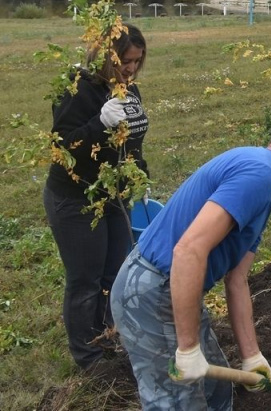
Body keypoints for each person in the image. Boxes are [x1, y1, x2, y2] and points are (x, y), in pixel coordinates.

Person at [111, 109, 271, 409]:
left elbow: (237, 279)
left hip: (173, 287)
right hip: (151, 291)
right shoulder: (256, 174)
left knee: (215, 392)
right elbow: (188, 250)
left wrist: (252, 357)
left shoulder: (262, 185)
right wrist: (188, 349)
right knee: (179, 402)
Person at [44, 24, 150, 373]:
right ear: (107, 56)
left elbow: (132, 142)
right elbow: (63, 148)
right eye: (125, 61)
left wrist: (140, 175)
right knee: (85, 280)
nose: (131, 69)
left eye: (137, 61)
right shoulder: (77, 88)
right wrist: (98, 124)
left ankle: (107, 338)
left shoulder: (128, 91)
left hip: (115, 195)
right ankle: (88, 358)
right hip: (76, 199)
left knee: (114, 274)